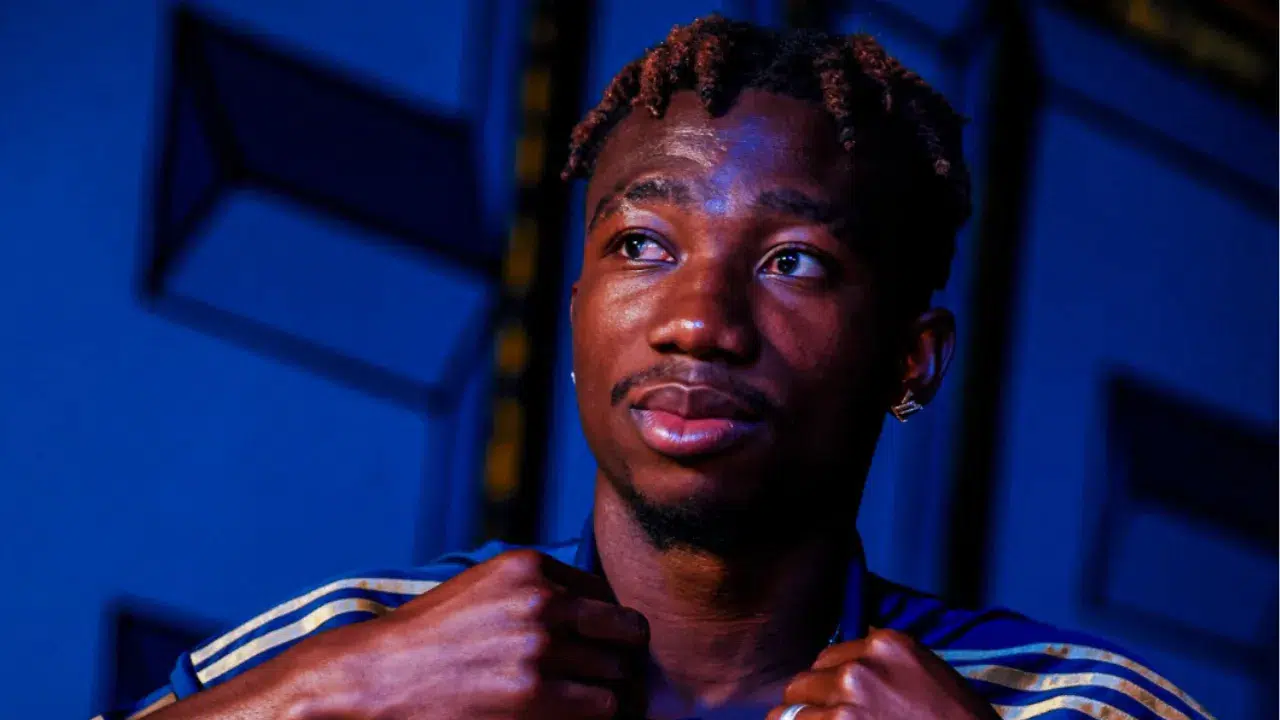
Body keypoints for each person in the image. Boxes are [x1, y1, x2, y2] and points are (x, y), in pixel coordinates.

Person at [96, 16, 1213, 720]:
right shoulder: (362, 644)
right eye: (641, 246)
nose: (697, 323)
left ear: (910, 361)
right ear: (578, 308)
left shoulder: (1075, 707)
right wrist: (341, 692)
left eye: (792, 262)